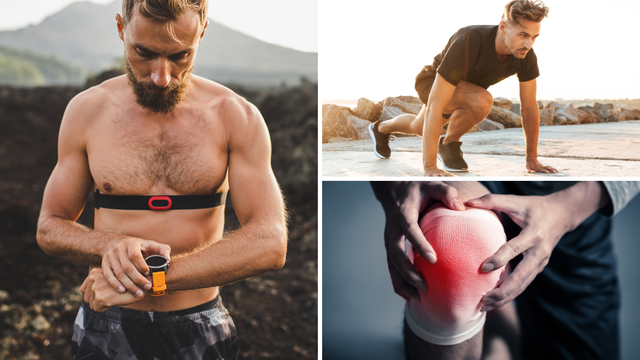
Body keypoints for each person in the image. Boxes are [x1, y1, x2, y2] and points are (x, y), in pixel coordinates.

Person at [35, 1, 287, 358]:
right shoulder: (86, 111)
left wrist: (153, 280)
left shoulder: (236, 117)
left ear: (201, 33)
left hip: (199, 324)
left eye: (181, 56)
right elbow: (49, 226)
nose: (161, 77)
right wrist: (108, 245)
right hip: (107, 323)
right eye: (144, 52)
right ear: (122, 29)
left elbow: (270, 242)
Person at [371, 181, 640, 359]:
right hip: (457, 149)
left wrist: (569, 209)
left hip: (571, 182)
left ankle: (500, 333)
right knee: (458, 244)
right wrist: (396, 180)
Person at [368, 0, 557, 176]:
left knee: (418, 126)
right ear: (503, 27)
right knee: (482, 100)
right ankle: (449, 144)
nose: (528, 44)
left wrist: (531, 158)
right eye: (523, 35)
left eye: (534, 37)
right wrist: (430, 167)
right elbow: (436, 106)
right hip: (433, 80)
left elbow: (529, 108)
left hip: (467, 91)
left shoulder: (525, 55)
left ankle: (381, 128)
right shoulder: (471, 39)